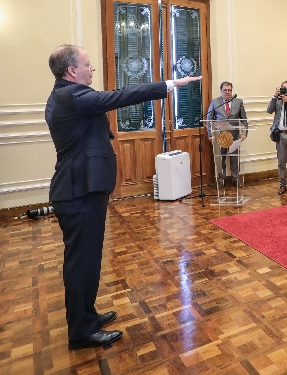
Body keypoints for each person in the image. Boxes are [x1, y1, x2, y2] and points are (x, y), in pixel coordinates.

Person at [45, 45, 200, 350]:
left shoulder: (67, 95)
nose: (92, 70)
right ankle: (81, 331)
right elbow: (119, 96)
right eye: (88, 65)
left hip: (80, 189)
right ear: (71, 71)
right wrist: (169, 84)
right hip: (79, 191)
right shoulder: (72, 96)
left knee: (86, 261)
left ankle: (86, 318)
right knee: (81, 263)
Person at [206, 82, 247, 187]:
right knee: (221, 158)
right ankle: (221, 179)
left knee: (234, 157)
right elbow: (209, 119)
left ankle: (235, 178)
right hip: (220, 135)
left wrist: (245, 132)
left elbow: (244, 119)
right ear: (221, 91)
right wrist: (210, 134)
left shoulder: (238, 102)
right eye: (225, 90)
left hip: (234, 134)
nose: (227, 92)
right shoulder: (215, 102)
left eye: (229, 90)